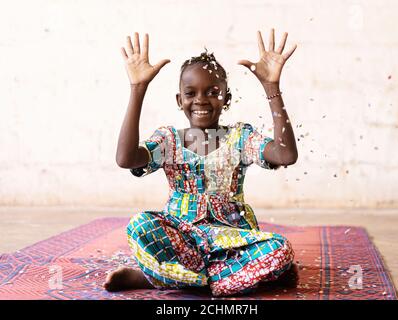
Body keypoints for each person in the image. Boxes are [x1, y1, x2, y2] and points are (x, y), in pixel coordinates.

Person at [104, 28, 299, 297]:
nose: (200, 100)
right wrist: (138, 89)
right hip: (182, 238)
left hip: (232, 239)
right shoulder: (168, 140)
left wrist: (271, 87)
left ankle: (160, 278)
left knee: (279, 248)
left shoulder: (241, 137)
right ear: (179, 100)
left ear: (226, 99)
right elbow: (125, 159)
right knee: (140, 225)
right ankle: (237, 277)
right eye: (190, 92)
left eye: (212, 91)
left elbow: (286, 155)